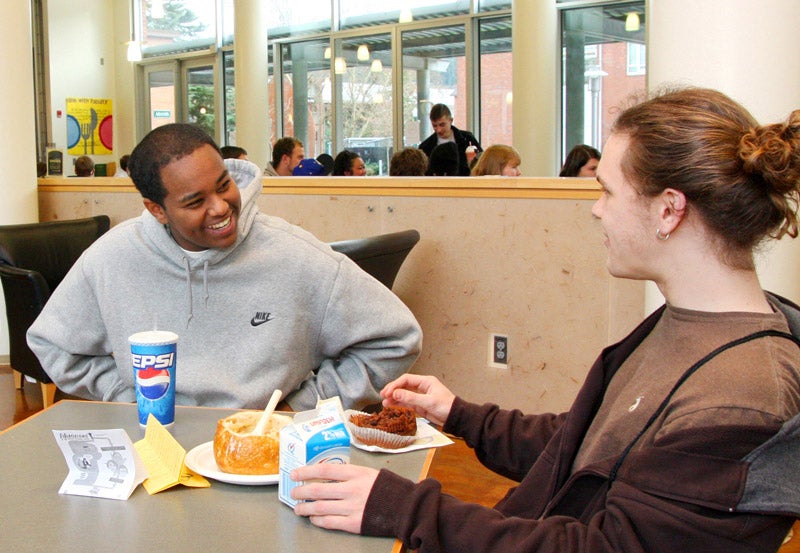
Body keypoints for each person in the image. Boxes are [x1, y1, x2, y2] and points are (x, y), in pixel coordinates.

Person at [288, 87, 800, 553]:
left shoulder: (742, 397)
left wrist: (404, 509)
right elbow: (585, 445)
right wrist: (458, 413)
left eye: (607, 191)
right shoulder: (688, 322)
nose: (596, 210)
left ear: (669, 210)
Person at [27, 123, 422, 412]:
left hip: (266, 448)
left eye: (222, 185)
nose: (219, 207)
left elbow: (396, 338)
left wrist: (303, 405)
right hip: (154, 447)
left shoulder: (297, 256)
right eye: (195, 201)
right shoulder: (110, 258)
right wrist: (131, 398)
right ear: (157, 209)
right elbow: (52, 343)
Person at [418, 103, 482, 176]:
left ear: (451, 120)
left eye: (442, 125)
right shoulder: (425, 147)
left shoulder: (467, 139)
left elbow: (481, 162)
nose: (438, 130)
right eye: (434, 126)